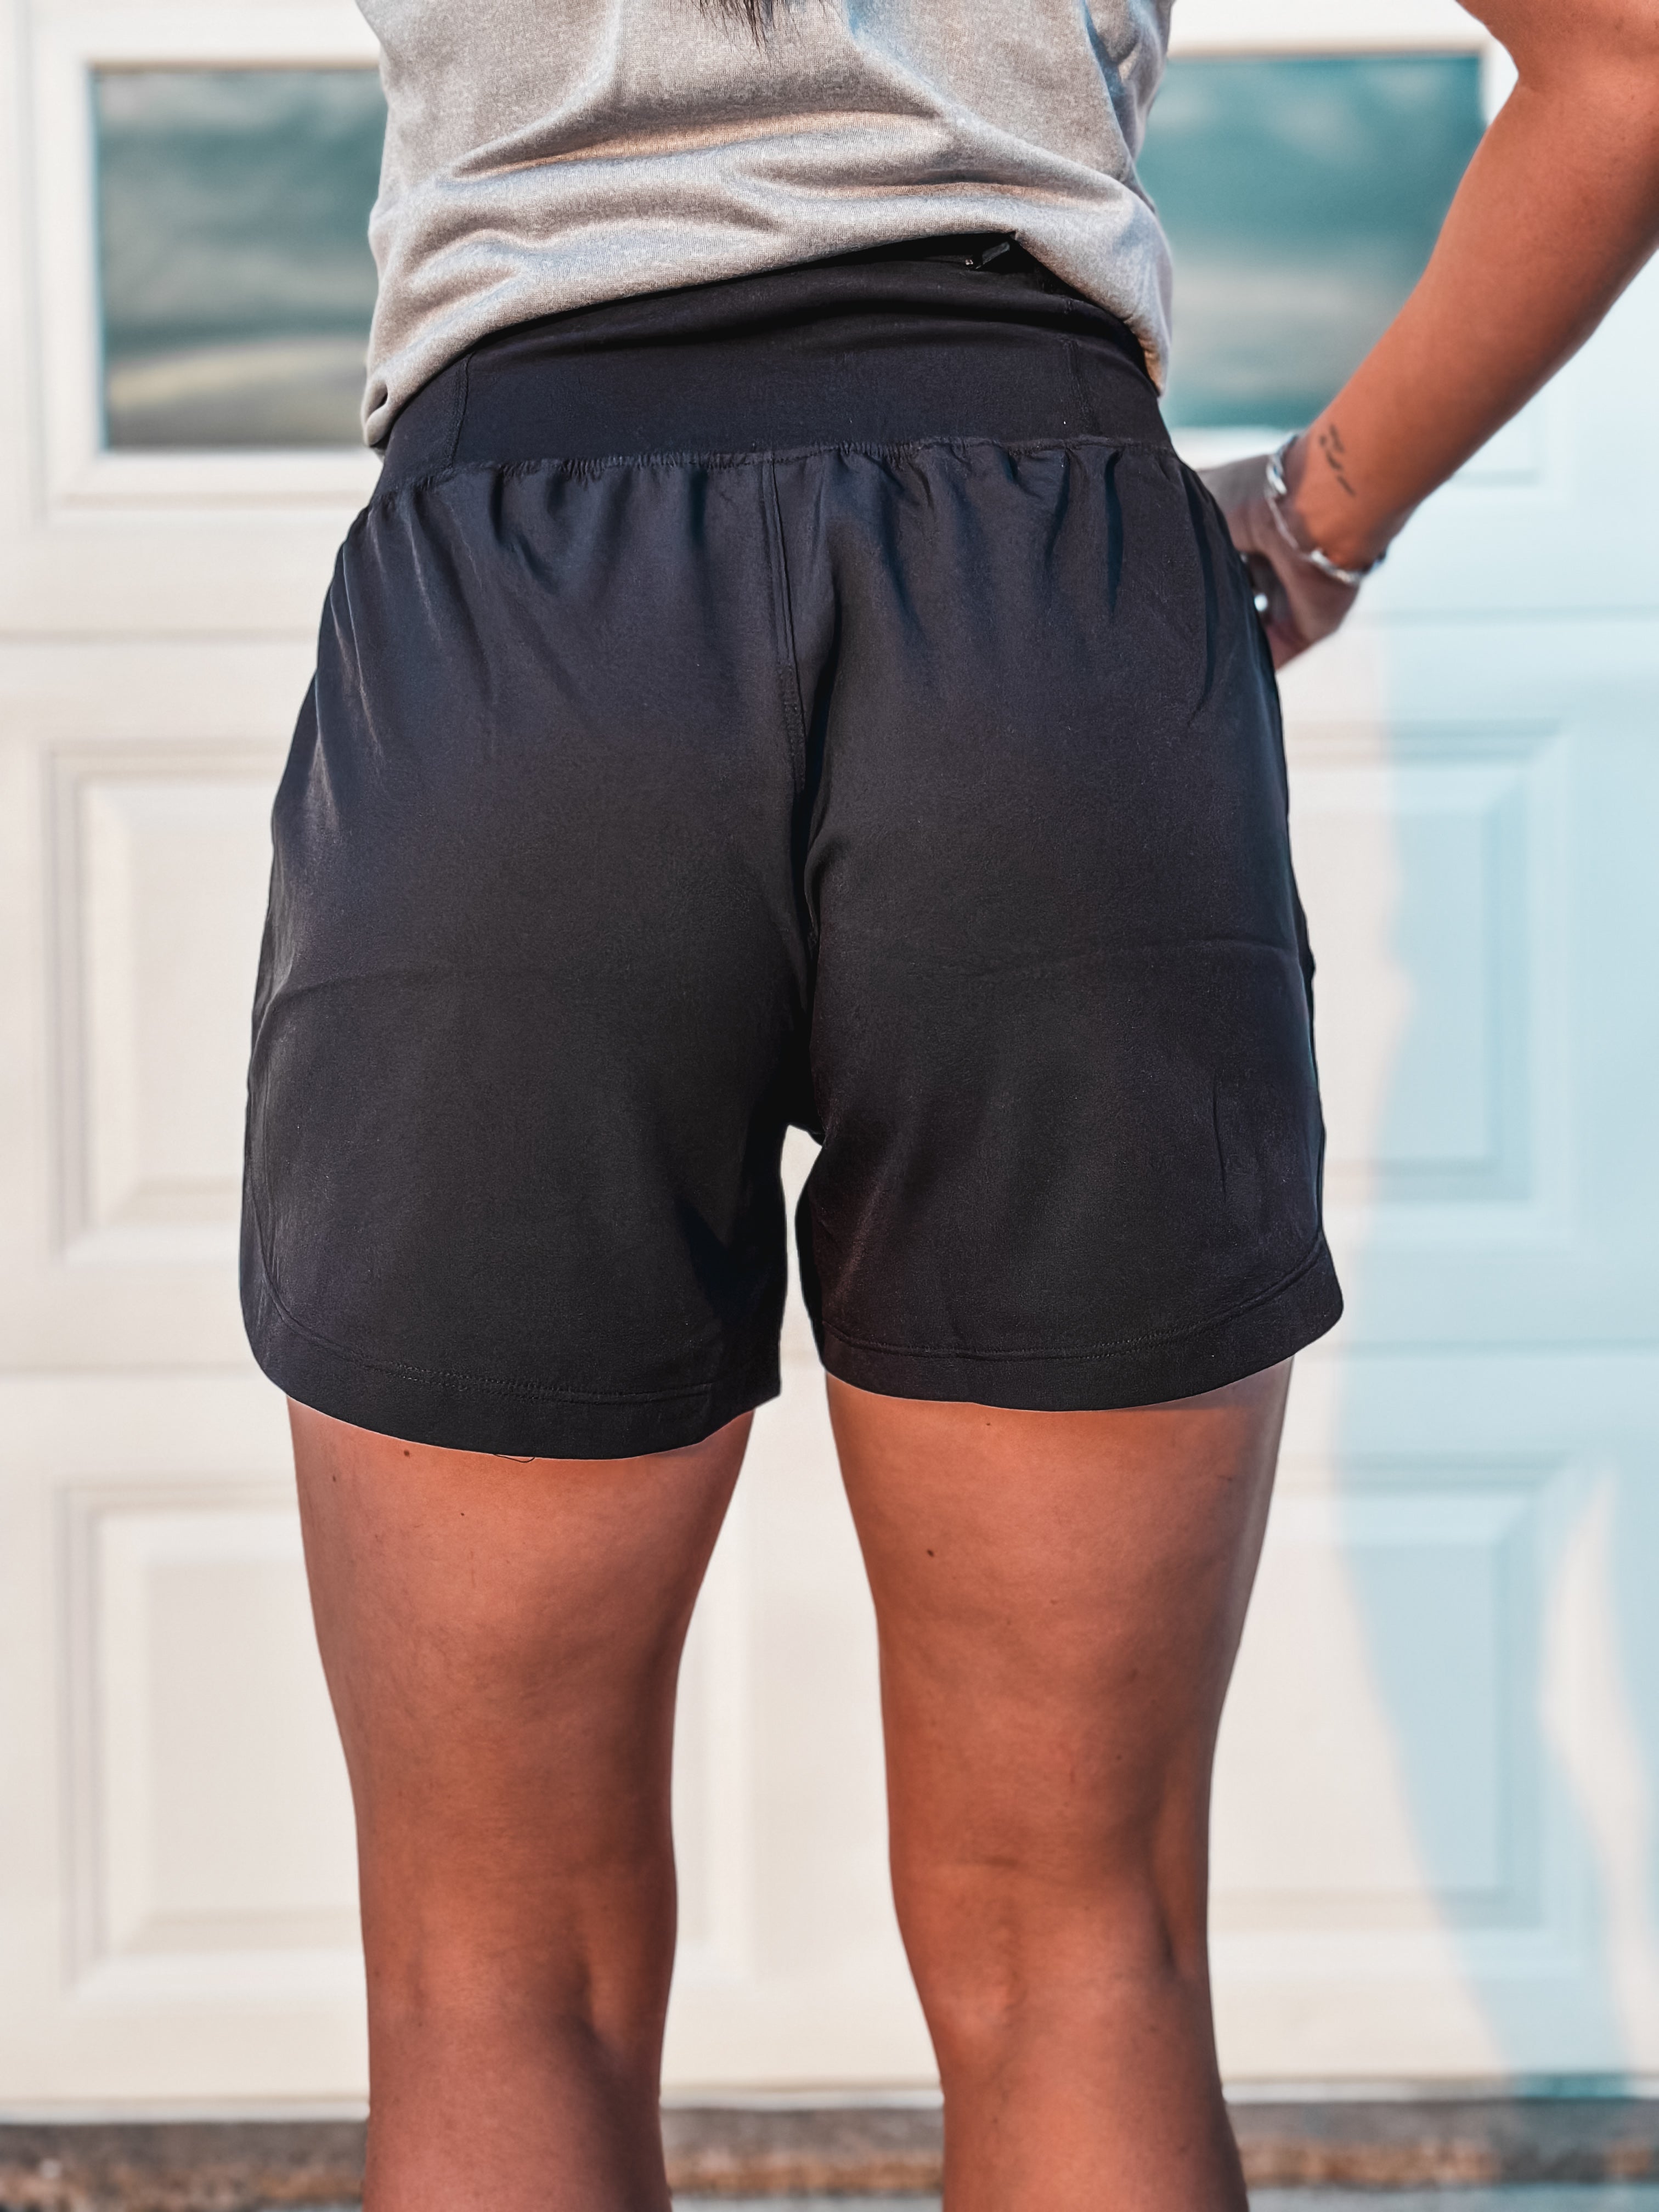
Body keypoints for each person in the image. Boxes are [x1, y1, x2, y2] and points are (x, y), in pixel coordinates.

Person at [239, 0, 1659, 2204]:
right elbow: (1628, 63)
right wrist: (1322, 518)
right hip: (1046, 609)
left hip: (522, 633)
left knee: (488, 1973)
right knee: (1081, 1953)